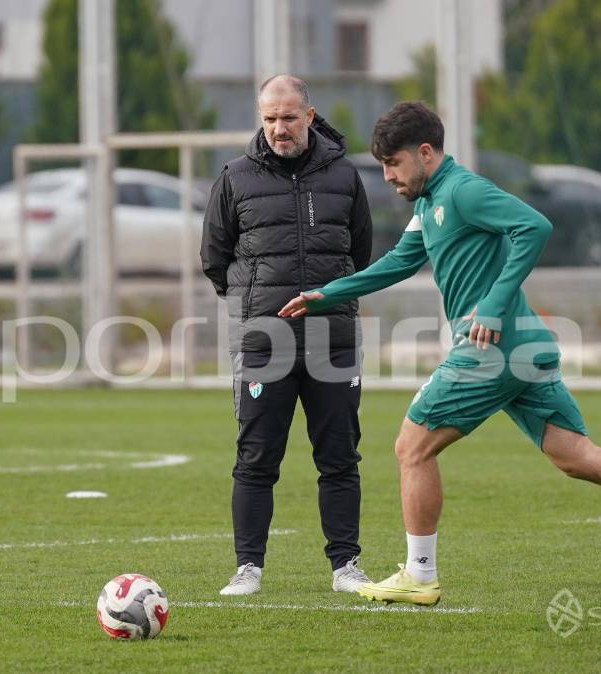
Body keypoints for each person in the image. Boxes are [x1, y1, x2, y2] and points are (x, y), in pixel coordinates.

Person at [279, 101, 601, 606]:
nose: (388, 177)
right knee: (574, 456)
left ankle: (420, 576)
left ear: (425, 153)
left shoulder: (462, 191)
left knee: (411, 446)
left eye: (394, 164)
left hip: (493, 347)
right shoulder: (428, 203)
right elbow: (400, 262)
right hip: (524, 348)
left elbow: (534, 227)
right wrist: (328, 293)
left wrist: (490, 305)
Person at [201, 75, 374, 596]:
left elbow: (360, 255)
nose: (280, 128)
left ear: (310, 115)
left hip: (333, 341)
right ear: (261, 118)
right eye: (270, 118)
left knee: (340, 457)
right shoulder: (234, 177)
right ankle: (248, 568)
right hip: (264, 344)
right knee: (256, 457)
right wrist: (257, 306)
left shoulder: (345, 176)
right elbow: (215, 259)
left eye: (289, 117)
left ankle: (345, 566)